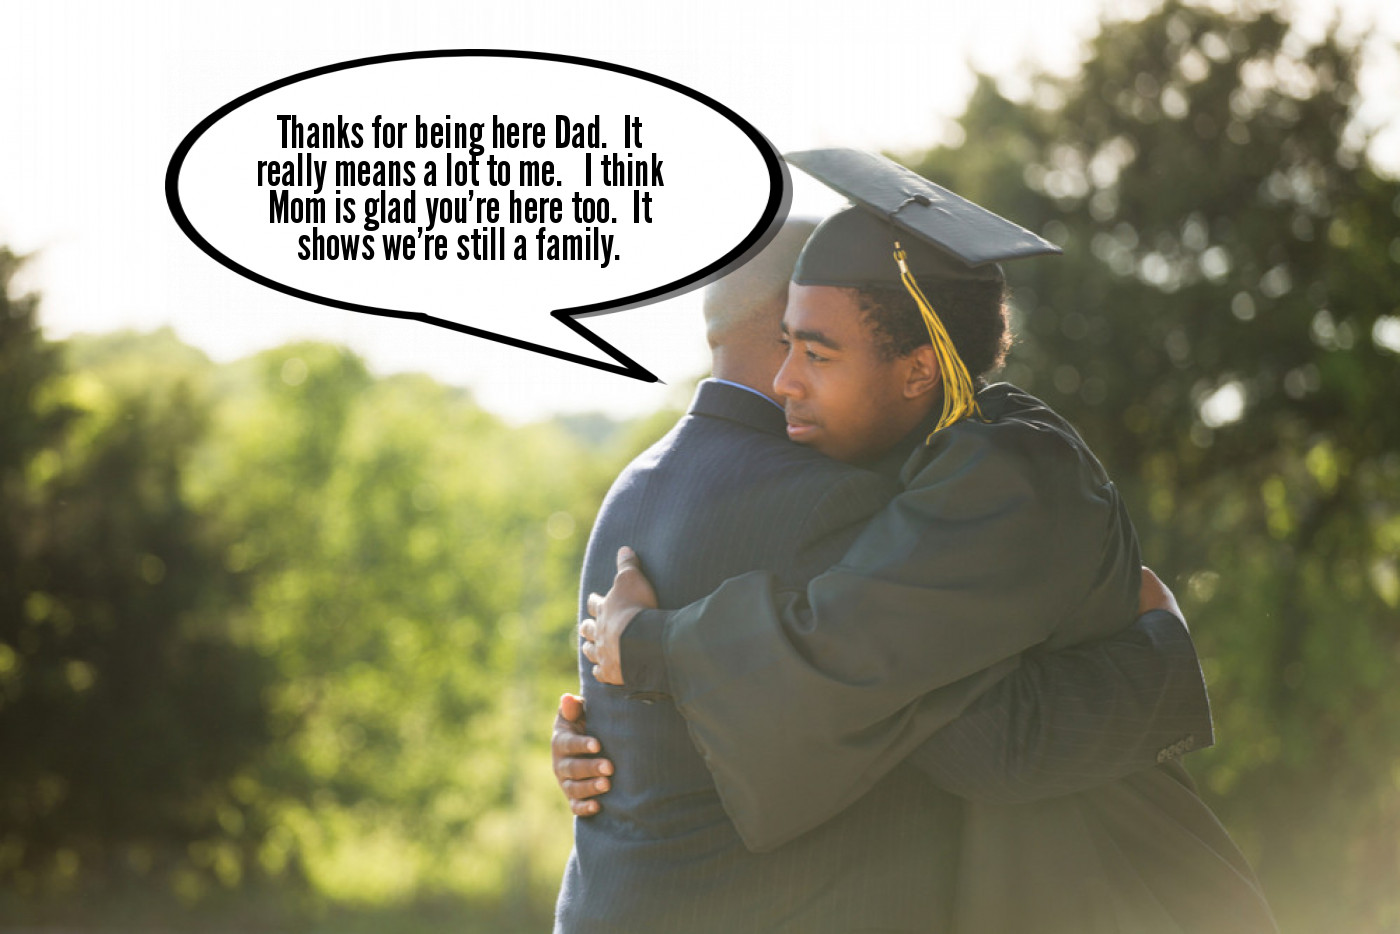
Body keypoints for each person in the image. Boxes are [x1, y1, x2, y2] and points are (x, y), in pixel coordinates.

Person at [580, 150, 1277, 932]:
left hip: (1123, 887)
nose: (785, 382)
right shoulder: (932, 463)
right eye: (786, 345)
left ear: (918, 371)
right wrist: (601, 734)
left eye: (815, 353)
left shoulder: (1009, 473)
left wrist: (650, 647)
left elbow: (931, 704)